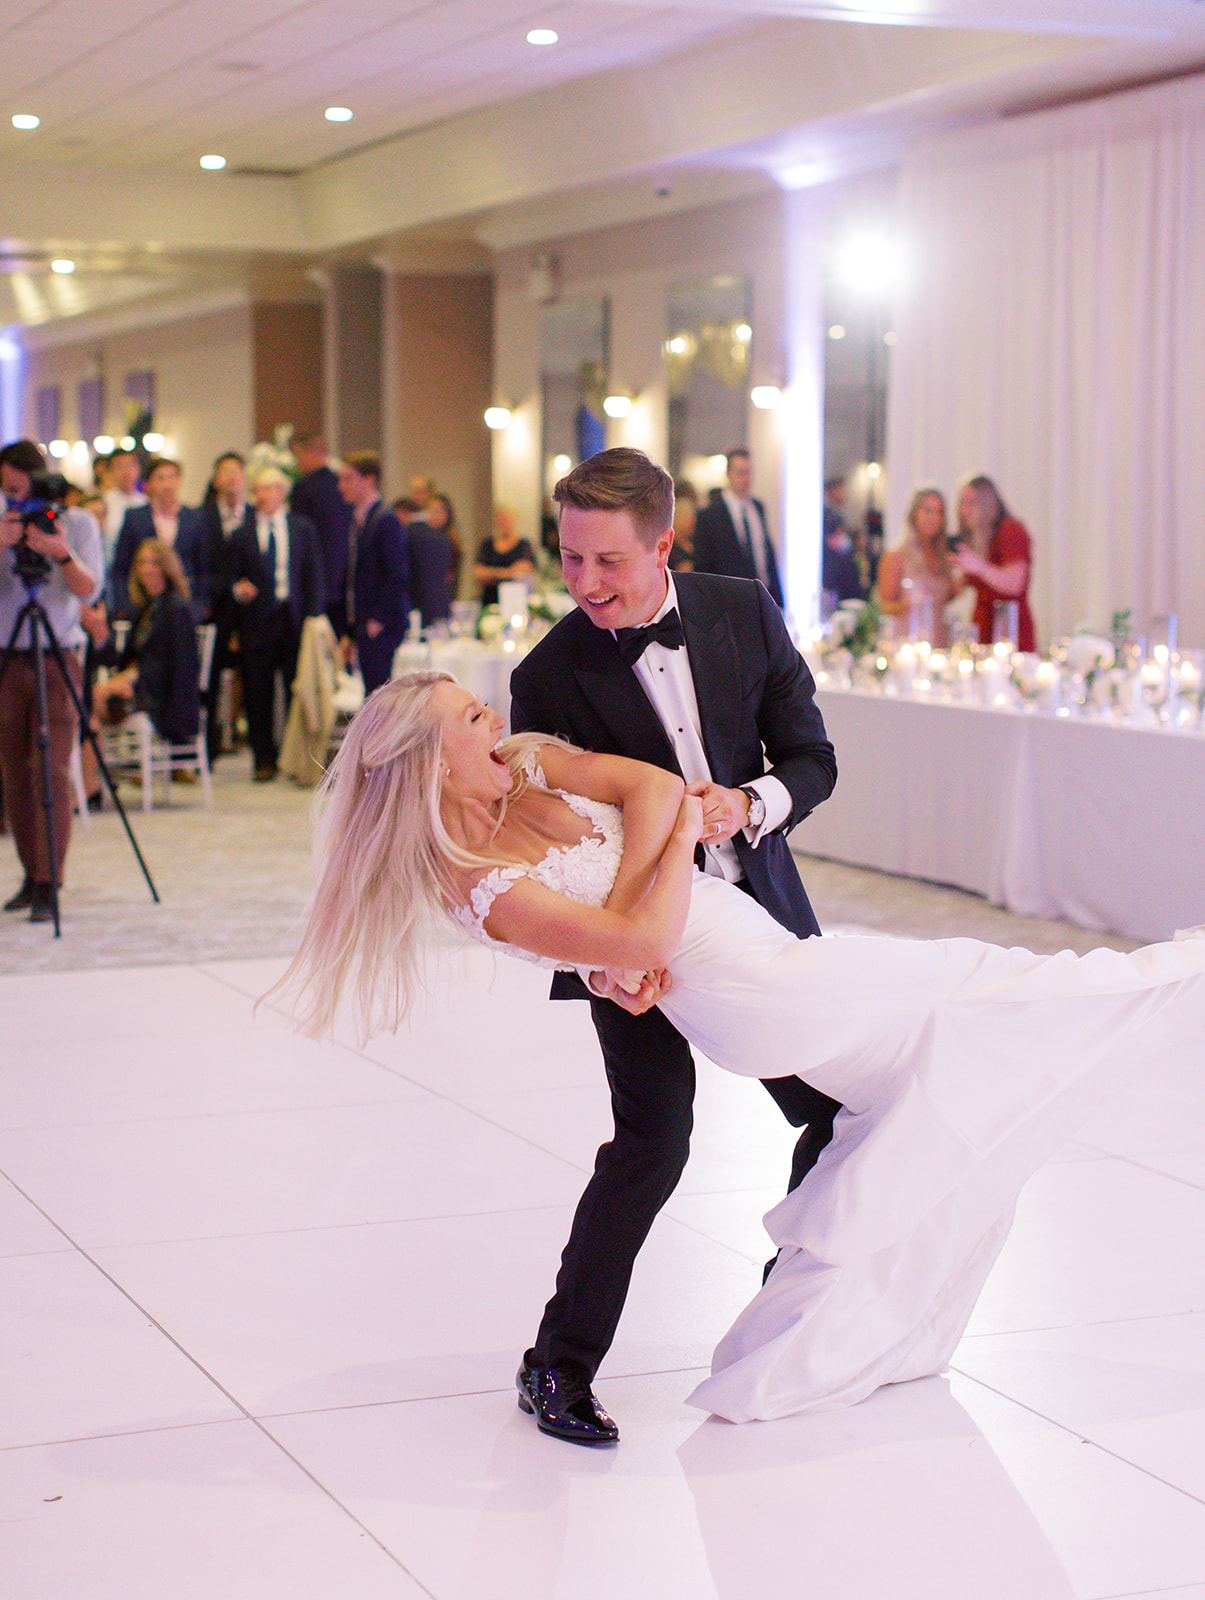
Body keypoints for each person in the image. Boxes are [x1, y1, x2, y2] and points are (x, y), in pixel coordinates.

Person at [276, 669, 1205, 1434]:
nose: (495, 717)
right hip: (748, 998)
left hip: (770, 953)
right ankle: (1167, 979)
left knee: (947, 1042)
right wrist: (661, 863)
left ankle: (836, 1334)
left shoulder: (528, 764)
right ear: (435, 765)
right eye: (472, 718)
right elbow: (642, 925)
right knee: (968, 990)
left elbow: (646, 787)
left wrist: (640, 884)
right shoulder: (477, 885)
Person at [511, 448, 839, 1443]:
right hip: (629, 942)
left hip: (761, 921)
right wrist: (609, 963)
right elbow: (548, 846)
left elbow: (811, 758)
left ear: (662, 543)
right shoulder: (547, 675)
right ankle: (554, 1366)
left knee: (832, 1116)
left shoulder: (740, 610)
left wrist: (748, 803)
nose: (584, 584)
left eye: (607, 560)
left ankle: (779, 1320)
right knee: (653, 1145)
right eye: (568, 558)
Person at [0, 440, 104, 922]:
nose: (13, 497)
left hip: (56, 655)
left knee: (51, 769)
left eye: (18, 488)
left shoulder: (78, 523)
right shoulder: (2, 524)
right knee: (14, 774)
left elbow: (89, 590)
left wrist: (60, 552)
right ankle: (29, 874)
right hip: (6, 655)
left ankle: (51, 881)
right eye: (5, 489)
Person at [230, 466, 325, 781]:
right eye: (258, 489)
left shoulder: (302, 528)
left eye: (270, 488)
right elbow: (230, 576)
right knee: (258, 691)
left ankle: (296, 758)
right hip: (256, 620)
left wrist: (315, 616)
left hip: (293, 618)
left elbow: (313, 575)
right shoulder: (241, 533)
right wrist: (238, 588)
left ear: (282, 492)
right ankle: (263, 759)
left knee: (295, 690)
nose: (264, 495)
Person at [95, 538, 200, 746]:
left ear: (166, 567)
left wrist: (135, 678)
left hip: (165, 699)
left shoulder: (176, 607)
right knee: (92, 698)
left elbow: (180, 666)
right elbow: (128, 658)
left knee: (94, 700)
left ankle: (101, 768)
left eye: (154, 563)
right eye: (142, 562)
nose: (147, 569)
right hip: (143, 688)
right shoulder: (144, 608)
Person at [337, 452, 411, 695]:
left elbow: (397, 574)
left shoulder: (385, 520)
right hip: (366, 624)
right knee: (371, 695)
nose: (342, 486)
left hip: (380, 626)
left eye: (348, 479)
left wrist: (377, 620)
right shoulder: (360, 519)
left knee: (379, 697)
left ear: (369, 480)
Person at [110, 458, 208, 621]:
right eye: (160, 478)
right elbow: (121, 566)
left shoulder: (195, 517)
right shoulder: (135, 517)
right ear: (148, 483)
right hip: (142, 603)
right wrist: (125, 605)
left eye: (172, 477)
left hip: (184, 603)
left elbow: (203, 565)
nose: (167, 484)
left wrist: (200, 606)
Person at [951, 474, 1036, 650]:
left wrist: (979, 567)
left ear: (988, 502)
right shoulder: (977, 538)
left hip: (1010, 629)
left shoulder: (1010, 530)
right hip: (983, 629)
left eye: (972, 503)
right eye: (962, 503)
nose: (964, 510)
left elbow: (1015, 584)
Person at [693, 449, 784, 607]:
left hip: (762, 596)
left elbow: (764, 554)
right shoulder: (711, 515)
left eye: (749, 472)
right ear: (728, 474)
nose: (746, 479)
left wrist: (778, 600)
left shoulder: (757, 507)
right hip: (728, 601)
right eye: (740, 473)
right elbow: (704, 565)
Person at [290, 434, 353, 638]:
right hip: (343, 579)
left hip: (314, 582)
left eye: (298, 456)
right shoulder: (341, 486)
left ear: (309, 453)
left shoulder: (303, 489)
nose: (297, 463)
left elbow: (298, 541)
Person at [876, 486, 956, 644]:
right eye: (928, 511)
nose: (934, 517)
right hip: (908, 642)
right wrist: (905, 605)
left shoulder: (944, 556)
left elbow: (941, 600)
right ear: (914, 515)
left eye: (939, 512)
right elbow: (884, 606)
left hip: (940, 640)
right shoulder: (897, 556)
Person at [472, 506, 535, 607]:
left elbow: (523, 571)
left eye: (508, 519)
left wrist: (492, 573)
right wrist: (508, 573)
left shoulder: (523, 545)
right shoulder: (487, 544)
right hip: (490, 600)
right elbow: (478, 572)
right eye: (502, 519)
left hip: (515, 600)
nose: (505, 522)